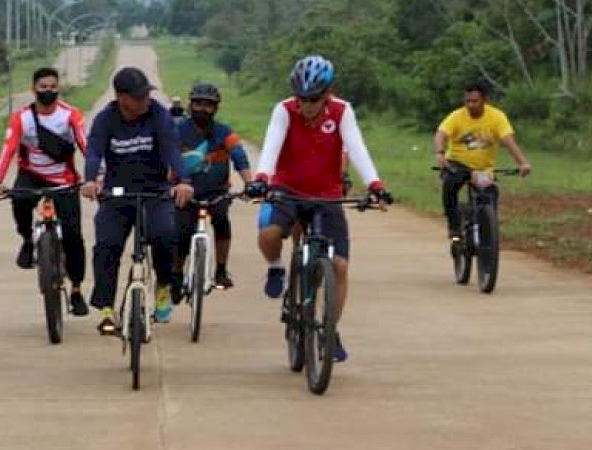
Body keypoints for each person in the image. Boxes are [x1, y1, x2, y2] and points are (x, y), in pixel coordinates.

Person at [245, 55, 390, 362]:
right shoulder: (284, 110)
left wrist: (375, 184)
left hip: (327, 194)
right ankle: (275, 268)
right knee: (269, 232)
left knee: (338, 266)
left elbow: (357, 147)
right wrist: (261, 178)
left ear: (328, 92)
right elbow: (271, 145)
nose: (306, 105)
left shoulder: (341, 111)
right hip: (287, 188)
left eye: (313, 99)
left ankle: (329, 328)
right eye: (301, 98)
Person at [81, 67, 194, 334]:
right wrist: (90, 180)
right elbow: (94, 152)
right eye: (138, 97)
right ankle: (106, 308)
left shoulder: (158, 115)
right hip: (117, 193)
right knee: (106, 244)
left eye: (146, 95)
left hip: (155, 190)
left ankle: (164, 286)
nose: (145, 101)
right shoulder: (105, 120)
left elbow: (171, 150)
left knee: (165, 234)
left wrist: (184, 181)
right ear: (122, 98)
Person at [0, 67, 89, 316]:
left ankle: (76, 290)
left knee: (73, 236)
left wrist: (97, 177)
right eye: (43, 87)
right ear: (34, 89)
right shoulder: (21, 118)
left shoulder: (70, 115)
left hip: (64, 180)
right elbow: (8, 149)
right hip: (30, 175)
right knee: (19, 200)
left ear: (59, 88)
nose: (48, 91)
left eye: (53, 87)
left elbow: (86, 146)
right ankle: (26, 240)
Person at [171, 82, 252, 299]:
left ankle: (221, 270)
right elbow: (165, 157)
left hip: (217, 193)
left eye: (208, 105)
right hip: (183, 193)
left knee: (222, 223)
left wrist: (249, 184)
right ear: (190, 105)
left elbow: (240, 158)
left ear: (216, 108)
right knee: (181, 234)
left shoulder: (224, 132)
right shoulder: (177, 131)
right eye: (198, 104)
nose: (202, 109)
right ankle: (176, 274)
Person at [433, 83, 531, 240]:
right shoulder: (457, 116)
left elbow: (508, 140)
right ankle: (454, 226)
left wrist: (522, 163)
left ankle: (489, 231)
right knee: (450, 184)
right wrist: (439, 153)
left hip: (484, 168)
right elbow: (441, 134)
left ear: (485, 100)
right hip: (458, 163)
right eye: (467, 101)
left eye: (475, 101)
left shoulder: (497, 117)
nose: (470, 105)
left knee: (490, 194)